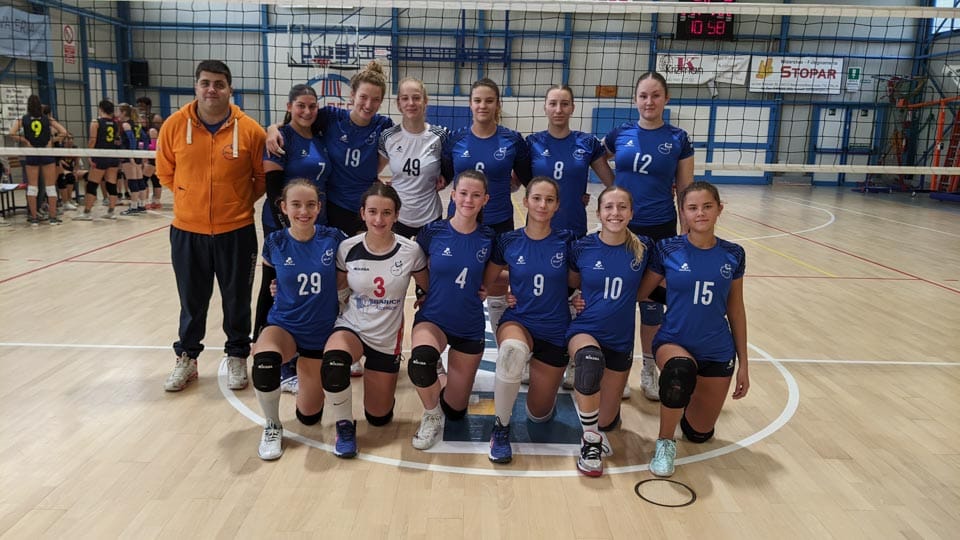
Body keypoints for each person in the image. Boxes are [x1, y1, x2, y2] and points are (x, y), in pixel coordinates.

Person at [155, 59, 267, 392]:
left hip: (237, 230)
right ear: (196, 86)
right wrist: (189, 199)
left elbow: (261, 178)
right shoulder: (174, 125)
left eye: (219, 84)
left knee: (237, 300)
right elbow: (165, 172)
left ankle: (237, 355)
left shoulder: (251, 130)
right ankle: (187, 358)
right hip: (187, 231)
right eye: (205, 83)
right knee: (192, 301)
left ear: (230, 89)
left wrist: (237, 202)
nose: (212, 90)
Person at [635, 181, 748, 477]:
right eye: (692, 208)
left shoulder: (734, 254)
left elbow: (736, 309)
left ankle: (687, 398)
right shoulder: (667, 249)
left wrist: (745, 365)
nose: (700, 213)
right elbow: (642, 293)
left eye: (707, 207)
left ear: (719, 209)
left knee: (699, 433)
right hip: (675, 340)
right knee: (680, 371)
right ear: (682, 212)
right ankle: (665, 443)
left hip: (716, 348)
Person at [603, 72, 694, 401]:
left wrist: (686, 234)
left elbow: (685, 189)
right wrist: (613, 188)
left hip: (660, 230)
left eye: (656, 95)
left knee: (653, 305)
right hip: (622, 229)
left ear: (666, 99)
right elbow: (598, 157)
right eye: (643, 95)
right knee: (618, 301)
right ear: (635, 99)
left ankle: (648, 369)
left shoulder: (678, 138)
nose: (649, 101)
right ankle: (616, 369)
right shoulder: (621, 134)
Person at [321, 182, 428, 458]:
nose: (379, 219)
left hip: (386, 338)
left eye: (386, 213)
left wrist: (424, 296)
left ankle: (380, 394)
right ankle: (344, 425)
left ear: (397, 215)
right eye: (372, 212)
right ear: (363, 213)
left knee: (379, 417)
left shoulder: (410, 251)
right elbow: (336, 287)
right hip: (352, 327)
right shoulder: (347, 248)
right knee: (334, 363)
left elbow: (428, 286)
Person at [483, 177, 577, 464]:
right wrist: (509, 287)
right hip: (519, 320)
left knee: (539, 415)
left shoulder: (568, 241)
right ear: (525, 202)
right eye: (536, 198)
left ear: (557, 205)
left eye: (549, 200)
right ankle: (501, 428)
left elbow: (580, 280)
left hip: (555, 327)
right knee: (512, 352)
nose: (542, 205)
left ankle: (544, 398)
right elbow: (487, 279)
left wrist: (580, 298)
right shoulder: (509, 240)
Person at [527, 84, 615, 390]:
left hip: (574, 232)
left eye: (564, 104)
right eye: (553, 103)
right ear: (545, 107)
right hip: (539, 233)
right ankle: (534, 353)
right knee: (540, 295)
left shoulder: (586, 143)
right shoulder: (532, 143)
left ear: (573, 108)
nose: (558, 109)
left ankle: (572, 358)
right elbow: (514, 181)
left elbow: (613, 183)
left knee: (574, 297)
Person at [252, 178, 346, 460]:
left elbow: (354, 272)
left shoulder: (333, 238)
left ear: (319, 207)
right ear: (283, 207)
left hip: (320, 331)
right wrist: (257, 334)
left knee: (309, 417)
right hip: (284, 325)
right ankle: (272, 425)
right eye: (296, 205)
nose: (303, 211)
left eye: (310, 205)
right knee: (264, 362)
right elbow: (266, 289)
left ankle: (302, 378)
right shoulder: (275, 242)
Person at [566, 186, 653, 476]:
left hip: (620, 339)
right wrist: (574, 299)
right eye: (609, 207)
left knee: (607, 422)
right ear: (598, 212)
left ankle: (599, 422)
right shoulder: (582, 247)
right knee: (590, 361)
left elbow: (650, 289)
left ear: (631, 213)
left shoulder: (644, 248)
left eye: (622, 207)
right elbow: (569, 283)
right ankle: (590, 442)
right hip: (585, 330)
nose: (615, 213)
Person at [405, 170, 494, 450]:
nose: (468, 200)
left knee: (455, 411)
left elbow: (501, 274)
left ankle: (441, 375)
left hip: (469, 325)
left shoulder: (489, 238)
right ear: (453, 195)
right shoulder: (433, 232)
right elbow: (413, 264)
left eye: (476, 195)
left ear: (485, 200)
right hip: (434, 319)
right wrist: (422, 291)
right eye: (463, 193)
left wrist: (504, 290)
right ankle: (431, 415)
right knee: (420, 362)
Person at [256, 84, 332, 394]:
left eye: (312, 106)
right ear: (289, 106)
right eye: (301, 105)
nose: (307, 111)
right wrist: (287, 230)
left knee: (308, 288)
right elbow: (274, 190)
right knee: (275, 287)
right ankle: (270, 354)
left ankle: (304, 355)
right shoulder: (280, 138)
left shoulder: (321, 135)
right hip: (284, 223)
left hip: (313, 222)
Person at [440, 78, 532, 333]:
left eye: (489, 101)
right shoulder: (455, 139)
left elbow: (529, 179)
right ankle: (452, 332)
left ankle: (502, 334)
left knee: (498, 282)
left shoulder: (512, 140)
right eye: (478, 100)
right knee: (457, 277)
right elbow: (444, 175)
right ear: (470, 104)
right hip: (460, 223)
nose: (483, 105)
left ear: (498, 104)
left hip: (499, 221)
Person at [267, 60, 394, 236]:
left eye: (375, 99)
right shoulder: (330, 117)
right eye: (363, 97)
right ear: (352, 95)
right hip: (335, 206)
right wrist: (272, 128)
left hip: (367, 206)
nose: (368, 104)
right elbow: (297, 123)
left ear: (381, 102)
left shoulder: (384, 125)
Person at [377, 77, 449, 238]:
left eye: (416, 98)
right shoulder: (388, 137)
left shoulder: (440, 136)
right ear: (398, 103)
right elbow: (373, 171)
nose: (411, 103)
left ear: (425, 101)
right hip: (398, 217)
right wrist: (383, 189)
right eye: (405, 98)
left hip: (430, 216)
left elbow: (452, 167)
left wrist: (446, 178)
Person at [8, 95, 68, 226]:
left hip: (32, 153)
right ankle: (53, 218)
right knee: (50, 187)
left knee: (32, 187)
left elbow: (11, 133)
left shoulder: (23, 119)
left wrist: (25, 141)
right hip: (46, 153)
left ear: (28, 106)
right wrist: (51, 140)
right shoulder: (47, 119)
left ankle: (34, 218)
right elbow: (64, 132)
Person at [74, 99, 121, 221]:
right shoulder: (115, 123)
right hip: (113, 155)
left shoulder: (96, 122)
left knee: (92, 184)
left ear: (100, 109)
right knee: (111, 184)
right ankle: (111, 212)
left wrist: (89, 155)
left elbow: (92, 140)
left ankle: (87, 213)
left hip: (100, 156)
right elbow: (116, 140)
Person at [118, 103, 149, 216]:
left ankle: (134, 207)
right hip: (138, 154)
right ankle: (142, 205)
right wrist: (144, 153)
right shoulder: (137, 124)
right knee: (139, 180)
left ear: (124, 113)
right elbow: (145, 139)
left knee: (132, 181)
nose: (117, 114)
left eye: (118, 111)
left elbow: (132, 140)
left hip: (129, 155)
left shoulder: (126, 124)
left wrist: (130, 155)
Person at [56, 136, 87, 211]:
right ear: (64, 140)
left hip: (71, 170)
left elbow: (77, 164)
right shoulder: (60, 149)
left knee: (88, 175)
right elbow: (58, 164)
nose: (70, 140)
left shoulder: (75, 149)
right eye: (68, 139)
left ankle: (87, 198)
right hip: (62, 170)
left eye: (72, 139)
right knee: (69, 176)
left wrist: (75, 171)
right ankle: (68, 200)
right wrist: (66, 171)